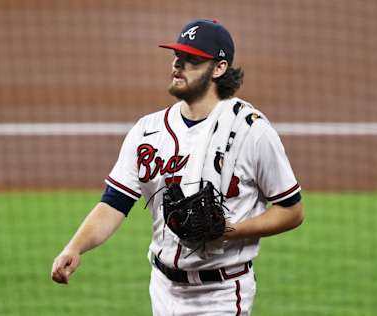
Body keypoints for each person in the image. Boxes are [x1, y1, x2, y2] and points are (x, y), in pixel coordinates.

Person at [52, 19, 304, 315]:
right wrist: (74, 247)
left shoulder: (252, 131)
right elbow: (114, 202)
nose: (177, 65)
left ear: (219, 68)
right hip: (162, 288)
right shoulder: (147, 130)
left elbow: (292, 210)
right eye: (177, 56)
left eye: (191, 60)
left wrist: (227, 230)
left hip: (221, 293)